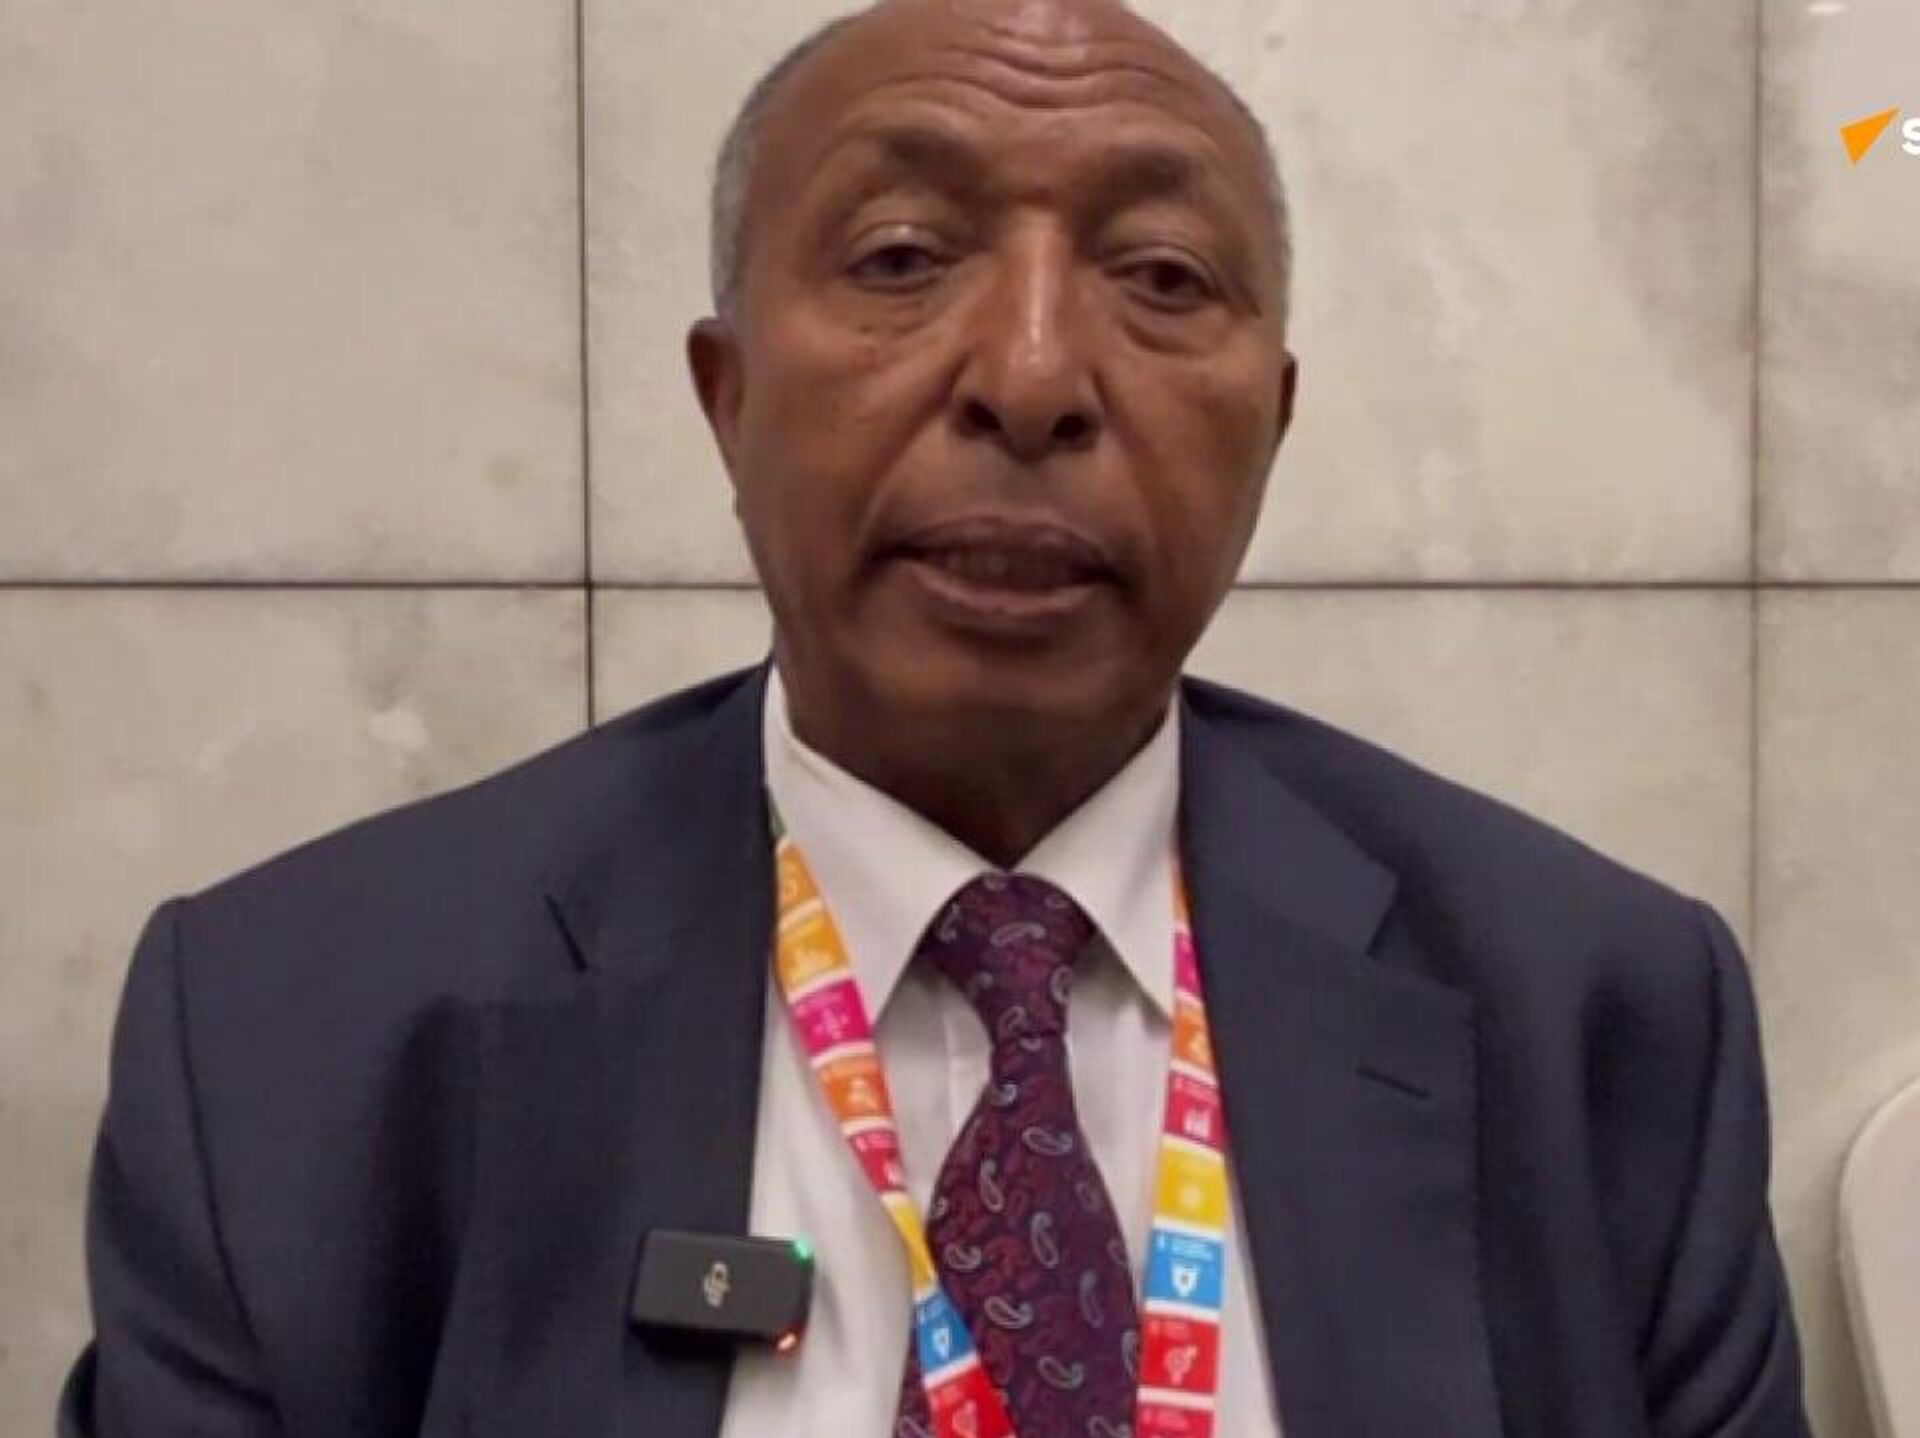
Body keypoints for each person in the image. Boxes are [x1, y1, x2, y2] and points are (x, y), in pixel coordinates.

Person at [59, 0, 1813, 1434]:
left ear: (1271, 429)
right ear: (728, 397)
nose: (1033, 376)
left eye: (1162, 278)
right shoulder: (295, 1042)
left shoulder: (1603, 1024)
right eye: (902, 256)